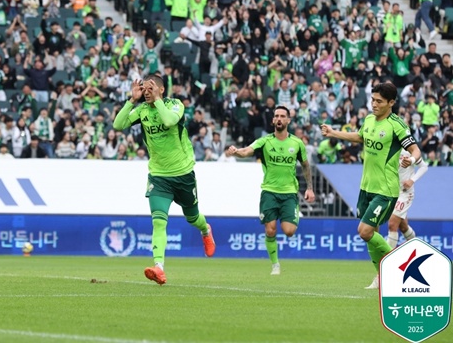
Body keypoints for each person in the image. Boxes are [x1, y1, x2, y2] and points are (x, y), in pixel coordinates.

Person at [112, 76, 216, 285]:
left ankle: (205, 230)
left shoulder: (175, 105)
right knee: (159, 222)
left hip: (183, 173)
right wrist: (132, 100)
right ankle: (159, 268)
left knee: (192, 218)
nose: (146, 92)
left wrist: (158, 100)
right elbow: (118, 124)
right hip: (159, 176)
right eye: (144, 89)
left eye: (150, 88)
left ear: (160, 89)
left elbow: (169, 121)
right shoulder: (142, 110)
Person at [321, 83, 422, 287]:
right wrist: (333, 132)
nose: (374, 104)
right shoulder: (368, 119)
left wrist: (411, 160)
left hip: (386, 190)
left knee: (364, 231)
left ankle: (397, 263)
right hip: (366, 187)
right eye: (372, 100)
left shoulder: (397, 125)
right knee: (371, 234)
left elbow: (415, 150)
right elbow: (360, 137)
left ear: (391, 103)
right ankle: (381, 277)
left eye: (379, 101)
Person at [226, 106, 315, 275]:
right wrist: (236, 152)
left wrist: (310, 188)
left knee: (289, 231)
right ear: (273, 120)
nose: (279, 119)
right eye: (276, 116)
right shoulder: (265, 141)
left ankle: (293, 211)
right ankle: (275, 264)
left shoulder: (297, 143)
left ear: (288, 120)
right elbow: (247, 151)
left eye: (282, 116)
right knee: (270, 229)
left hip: (289, 192)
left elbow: (305, 165)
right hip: (269, 191)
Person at [365, 148, 429, 289]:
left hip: (405, 193)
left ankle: (384, 271)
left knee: (392, 224)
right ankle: (418, 249)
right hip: (390, 192)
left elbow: (424, 167)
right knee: (403, 226)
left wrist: (412, 180)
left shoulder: (409, 148)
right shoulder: (387, 147)